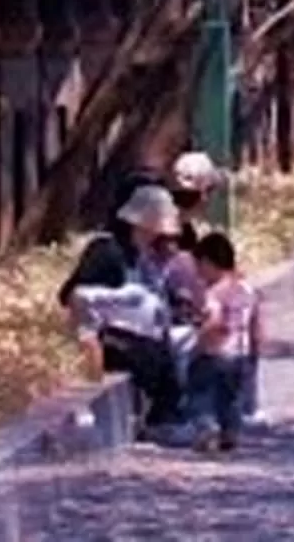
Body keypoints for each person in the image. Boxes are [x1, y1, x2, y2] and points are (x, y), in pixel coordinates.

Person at [57, 182, 194, 437]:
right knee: (152, 355)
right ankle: (161, 420)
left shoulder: (140, 254)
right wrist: (117, 300)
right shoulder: (107, 251)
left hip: (138, 330)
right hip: (105, 337)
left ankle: (175, 411)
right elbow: (71, 296)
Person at [185, 229, 261, 454]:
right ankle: (230, 433)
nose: (198, 273)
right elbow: (256, 322)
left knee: (200, 392)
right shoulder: (247, 289)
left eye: (199, 266)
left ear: (209, 262)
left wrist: (197, 346)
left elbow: (214, 322)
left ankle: (206, 427)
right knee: (231, 398)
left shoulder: (214, 292)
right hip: (241, 353)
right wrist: (255, 351)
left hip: (215, 352)